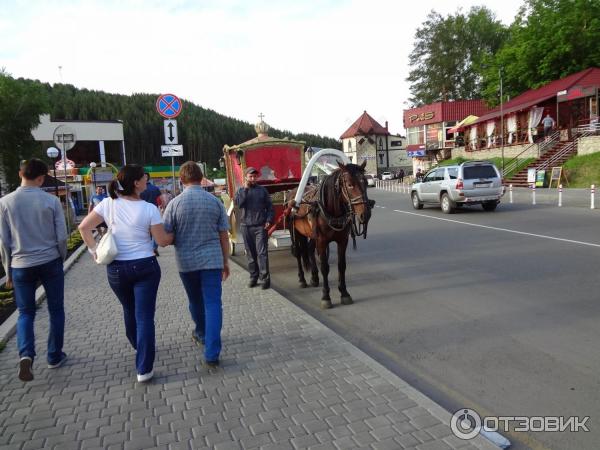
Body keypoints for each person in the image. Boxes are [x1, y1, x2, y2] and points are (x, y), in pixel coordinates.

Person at [78, 164, 172, 383]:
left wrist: (94, 251)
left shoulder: (107, 204)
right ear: (136, 183)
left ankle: (139, 347)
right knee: (145, 316)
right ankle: (144, 368)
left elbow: (83, 227)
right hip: (145, 266)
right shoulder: (148, 209)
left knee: (129, 310)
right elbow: (161, 241)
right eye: (144, 179)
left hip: (117, 268)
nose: (146, 181)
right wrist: (172, 237)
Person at [0, 158, 68, 381]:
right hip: (50, 261)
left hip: (20, 265)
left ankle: (26, 354)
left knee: (25, 312)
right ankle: (54, 355)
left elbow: (4, 240)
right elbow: (61, 236)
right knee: (56, 310)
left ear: (21, 174)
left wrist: (7, 269)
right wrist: (62, 257)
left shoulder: (5, 202)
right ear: (41, 178)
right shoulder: (51, 201)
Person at [162, 161, 230, 367]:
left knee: (195, 301)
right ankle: (212, 352)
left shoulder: (174, 204)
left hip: (186, 262)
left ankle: (200, 331)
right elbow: (224, 236)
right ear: (201, 178)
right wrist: (225, 261)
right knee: (213, 303)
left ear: (181, 180)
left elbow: (167, 235)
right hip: (212, 261)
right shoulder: (215, 202)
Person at [234, 167, 274, 289]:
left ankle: (265, 279)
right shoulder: (240, 190)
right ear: (245, 177)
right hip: (246, 226)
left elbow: (270, 208)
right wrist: (245, 189)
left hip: (260, 226)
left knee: (262, 253)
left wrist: (268, 220)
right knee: (251, 254)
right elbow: (239, 204)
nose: (253, 178)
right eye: (250, 176)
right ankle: (253, 277)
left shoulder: (263, 191)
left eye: (255, 176)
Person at [140, 173, 161, 256]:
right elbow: (160, 200)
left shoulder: (140, 189)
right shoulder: (155, 188)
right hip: (153, 211)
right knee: (155, 231)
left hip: (142, 211)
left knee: (145, 231)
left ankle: (148, 248)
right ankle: (154, 247)